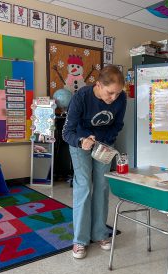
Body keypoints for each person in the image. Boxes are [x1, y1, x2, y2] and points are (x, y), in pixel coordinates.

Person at [62, 65, 127, 259]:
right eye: (110, 93)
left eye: (117, 93)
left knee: (102, 186)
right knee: (84, 187)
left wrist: (105, 142)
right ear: (98, 85)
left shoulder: (121, 98)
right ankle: (80, 240)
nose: (114, 98)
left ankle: (99, 233)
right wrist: (82, 141)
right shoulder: (81, 97)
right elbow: (67, 132)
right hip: (80, 142)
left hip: (103, 145)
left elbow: (117, 124)